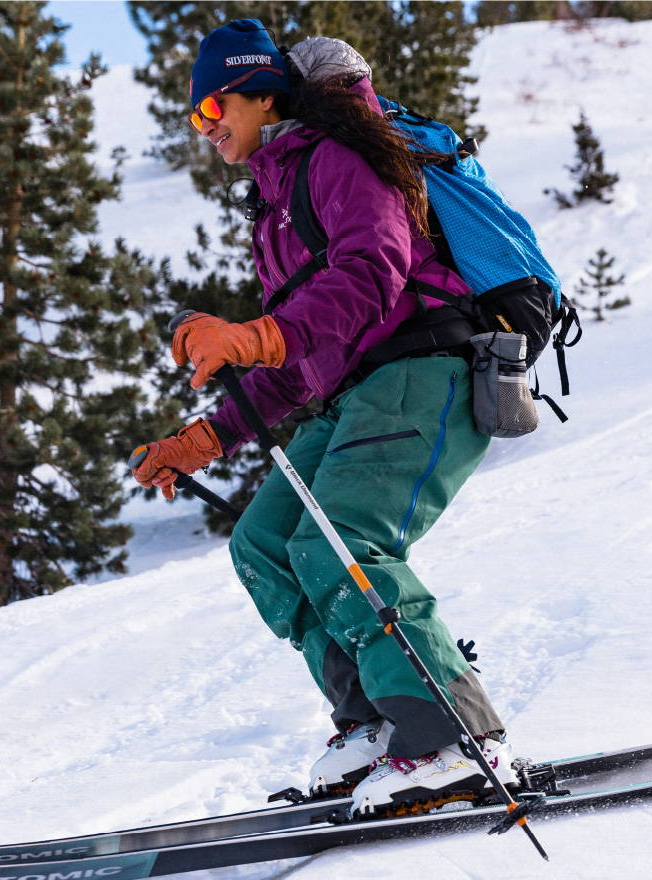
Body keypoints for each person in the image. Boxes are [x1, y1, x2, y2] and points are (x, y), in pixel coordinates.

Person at [131, 18, 517, 817]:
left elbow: (375, 274)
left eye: (212, 109)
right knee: (267, 543)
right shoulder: (274, 206)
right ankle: (376, 722)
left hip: (420, 369)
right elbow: (295, 356)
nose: (205, 129)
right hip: (351, 393)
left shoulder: (336, 161)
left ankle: (451, 735)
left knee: (342, 539)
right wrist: (200, 439)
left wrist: (253, 334)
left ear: (258, 95)